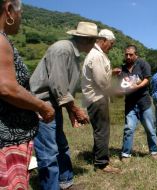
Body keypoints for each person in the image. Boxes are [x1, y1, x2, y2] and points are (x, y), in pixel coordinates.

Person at [30, 22, 101, 190]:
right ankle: (51, 187)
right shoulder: (62, 49)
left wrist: (70, 111)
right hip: (42, 104)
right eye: (94, 40)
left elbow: (67, 87)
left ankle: (65, 182)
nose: (95, 44)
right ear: (87, 39)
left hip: (54, 104)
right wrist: (76, 109)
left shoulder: (74, 55)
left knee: (61, 145)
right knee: (49, 152)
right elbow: (58, 86)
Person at [0, 0, 54, 189]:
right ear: (8, 10)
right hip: (6, 142)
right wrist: (42, 106)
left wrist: (32, 105)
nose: (21, 18)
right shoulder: (0, 39)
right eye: (20, 12)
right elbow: (7, 88)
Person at [82, 29, 121, 173]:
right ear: (103, 40)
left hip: (94, 98)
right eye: (111, 43)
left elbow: (98, 75)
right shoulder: (97, 56)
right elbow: (101, 82)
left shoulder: (95, 54)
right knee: (102, 131)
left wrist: (111, 72)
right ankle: (102, 163)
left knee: (100, 130)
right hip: (98, 98)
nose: (111, 46)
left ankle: (99, 157)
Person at [120, 45, 157, 161]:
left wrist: (136, 86)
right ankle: (126, 154)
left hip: (144, 102)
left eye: (130, 54)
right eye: (126, 54)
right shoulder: (122, 69)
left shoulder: (143, 64)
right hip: (130, 104)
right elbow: (122, 84)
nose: (128, 56)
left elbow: (147, 79)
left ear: (135, 54)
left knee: (149, 128)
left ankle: (154, 151)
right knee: (129, 128)